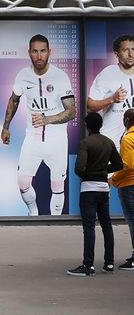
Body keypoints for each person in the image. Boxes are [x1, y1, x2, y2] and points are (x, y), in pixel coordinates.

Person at [1, 34, 76, 215]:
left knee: (57, 185)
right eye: (35, 51)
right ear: (29, 53)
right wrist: (6, 127)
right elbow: (14, 100)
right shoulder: (23, 75)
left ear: (49, 52)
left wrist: (47, 119)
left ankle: (55, 222)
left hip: (57, 139)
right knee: (23, 183)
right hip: (32, 137)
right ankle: (33, 212)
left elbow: (72, 111)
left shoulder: (60, 76)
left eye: (43, 51)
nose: (39, 55)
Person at [66, 112, 122, 276]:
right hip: (104, 188)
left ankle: (88, 265)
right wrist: (104, 171)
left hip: (89, 188)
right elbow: (118, 164)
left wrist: (88, 174)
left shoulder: (86, 142)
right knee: (107, 225)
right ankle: (109, 263)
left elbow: (78, 168)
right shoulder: (108, 142)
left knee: (89, 227)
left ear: (87, 125)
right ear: (101, 125)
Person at [87, 34, 134, 149]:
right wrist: (112, 99)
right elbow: (90, 107)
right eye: (125, 50)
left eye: (133, 49)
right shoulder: (107, 74)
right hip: (111, 142)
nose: (131, 54)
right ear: (116, 54)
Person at [111, 108, 134, 271]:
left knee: (132, 222)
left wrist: (112, 179)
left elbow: (127, 165)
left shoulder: (128, 139)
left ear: (127, 120)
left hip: (128, 185)